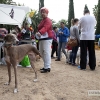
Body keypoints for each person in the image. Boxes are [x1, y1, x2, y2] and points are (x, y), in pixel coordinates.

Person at [36, 7, 53, 73]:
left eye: (44, 12)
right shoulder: (42, 20)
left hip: (47, 38)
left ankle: (47, 67)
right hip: (42, 38)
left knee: (46, 52)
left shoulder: (48, 20)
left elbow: (46, 27)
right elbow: (40, 28)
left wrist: (40, 32)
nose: (43, 13)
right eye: (42, 12)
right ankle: (46, 65)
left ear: (47, 13)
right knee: (41, 52)